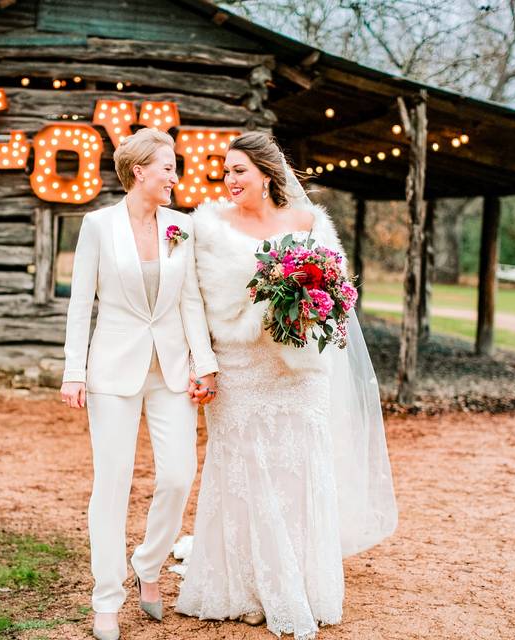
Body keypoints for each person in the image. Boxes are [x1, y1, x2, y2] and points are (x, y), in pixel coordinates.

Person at [175, 132, 398, 640]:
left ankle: (300, 580)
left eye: (239, 171)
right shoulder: (206, 229)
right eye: (225, 171)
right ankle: (243, 588)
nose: (228, 180)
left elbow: (337, 293)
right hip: (241, 369)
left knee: (300, 469)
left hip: (299, 372)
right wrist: (206, 359)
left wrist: (304, 309)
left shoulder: (309, 224)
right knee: (243, 468)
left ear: (268, 175)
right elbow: (200, 304)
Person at [59, 127, 219, 640]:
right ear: (139, 171)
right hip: (111, 372)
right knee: (112, 484)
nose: (175, 176)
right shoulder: (98, 226)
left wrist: (205, 361)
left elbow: (190, 298)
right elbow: (81, 303)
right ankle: (106, 598)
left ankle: (148, 563)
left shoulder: (181, 227)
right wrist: (75, 370)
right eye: (167, 167)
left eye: (175, 167)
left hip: (171, 371)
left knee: (177, 476)